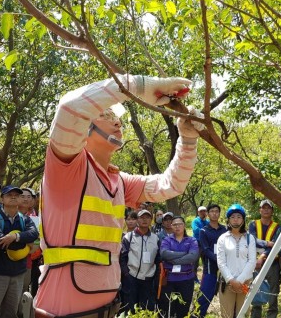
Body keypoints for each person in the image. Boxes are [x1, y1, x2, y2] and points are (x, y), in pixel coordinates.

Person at [33, 74, 202, 317]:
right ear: (85, 128)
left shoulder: (118, 180)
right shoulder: (66, 167)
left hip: (108, 307)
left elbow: (171, 184)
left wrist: (187, 140)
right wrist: (139, 87)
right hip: (61, 309)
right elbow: (70, 108)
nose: (117, 122)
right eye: (106, 116)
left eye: (117, 117)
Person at [0, 185, 39, 318]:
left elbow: (34, 234)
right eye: (9, 195)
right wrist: (25, 242)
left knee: (11, 313)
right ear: (2, 199)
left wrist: (15, 236)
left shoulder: (25, 219)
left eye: (16, 195)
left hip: (18, 274)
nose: (13, 197)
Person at [217, 204, 256, 318]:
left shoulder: (249, 238)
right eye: (232, 217)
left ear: (243, 219)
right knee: (226, 314)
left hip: (245, 282)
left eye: (239, 216)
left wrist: (240, 281)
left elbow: (252, 261)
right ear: (228, 220)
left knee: (243, 314)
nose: (235, 219)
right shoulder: (223, 238)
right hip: (227, 282)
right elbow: (221, 262)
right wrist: (231, 280)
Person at [120, 209, 160, 314]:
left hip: (148, 279)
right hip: (131, 277)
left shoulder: (155, 238)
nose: (144, 220)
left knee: (146, 309)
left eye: (147, 217)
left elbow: (158, 259)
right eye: (142, 217)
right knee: (130, 309)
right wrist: (126, 274)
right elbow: (122, 257)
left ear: (151, 220)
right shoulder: (129, 237)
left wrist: (155, 275)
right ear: (137, 219)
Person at [159, 216, 199, 318]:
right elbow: (164, 254)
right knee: (169, 308)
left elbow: (193, 256)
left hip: (186, 279)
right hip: (169, 280)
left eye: (179, 224)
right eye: (174, 224)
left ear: (184, 225)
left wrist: (174, 260)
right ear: (171, 226)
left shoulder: (191, 240)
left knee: (183, 309)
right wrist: (185, 254)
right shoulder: (167, 239)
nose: (177, 227)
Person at [249, 199, 281, 318]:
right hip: (254, 263)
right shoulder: (253, 224)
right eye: (264, 207)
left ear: (272, 211)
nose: (266, 210)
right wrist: (267, 243)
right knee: (256, 291)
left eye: (268, 208)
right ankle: (255, 315)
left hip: (272, 263)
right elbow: (252, 240)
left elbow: (277, 244)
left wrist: (263, 256)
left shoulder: (278, 227)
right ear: (260, 210)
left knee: (273, 292)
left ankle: (271, 315)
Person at [196, 204, 227, 317]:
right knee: (205, 293)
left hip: (226, 265)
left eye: (216, 211)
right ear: (208, 214)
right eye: (212, 211)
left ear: (219, 213)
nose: (214, 213)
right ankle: (197, 315)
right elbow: (205, 249)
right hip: (210, 265)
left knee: (226, 292)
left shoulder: (225, 229)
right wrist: (218, 259)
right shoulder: (203, 231)